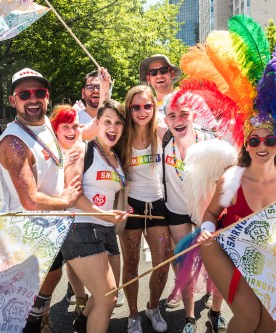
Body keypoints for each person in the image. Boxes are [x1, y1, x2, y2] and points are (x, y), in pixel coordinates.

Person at [0, 68, 83, 333]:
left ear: (47, 96)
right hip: (26, 233)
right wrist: (67, 200)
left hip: (51, 227)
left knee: (54, 272)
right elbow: (30, 200)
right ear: (13, 100)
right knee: (19, 310)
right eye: (24, 94)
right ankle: (34, 318)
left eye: (39, 92)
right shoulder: (14, 141)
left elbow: (89, 127)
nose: (33, 99)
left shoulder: (46, 127)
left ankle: (39, 314)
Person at [197, 113, 276, 332]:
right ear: (246, 145)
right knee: (248, 315)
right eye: (254, 140)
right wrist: (207, 231)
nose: (261, 146)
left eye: (269, 140)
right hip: (226, 252)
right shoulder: (232, 179)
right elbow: (210, 214)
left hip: (268, 257)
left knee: (270, 322)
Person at [61, 99, 128, 333]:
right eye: (107, 121)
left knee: (106, 295)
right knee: (108, 299)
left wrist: (118, 214)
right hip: (81, 229)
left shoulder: (117, 157)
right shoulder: (83, 148)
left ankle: (82, 324)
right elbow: (72, 194)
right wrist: (105, 214)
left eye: (118, 123)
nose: (113, 127)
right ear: (97, 123)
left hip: (107, 231)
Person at [161, 90, 215, 333]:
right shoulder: (163, 140)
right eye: (172, 116)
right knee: (184, 262)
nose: (178, 120)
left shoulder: (211, 143)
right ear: (165, 120)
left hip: (208, 212)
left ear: (194, 116)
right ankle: (189, 318)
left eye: (184, 114)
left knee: (215, 261)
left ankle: (215, 312)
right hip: (177, 210)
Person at [119, 86, 171, 333]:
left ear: (154, 107)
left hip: (159, 203)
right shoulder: (121, 136)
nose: (142, 111)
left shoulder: (162, 132)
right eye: (136, 106)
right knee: (131, 262)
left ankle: (153, 306)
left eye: (147, 106)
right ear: (128, 108)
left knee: (162, 262)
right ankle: (132, 314)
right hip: (132, 206)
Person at [49, 104, 89, 317]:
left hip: (73, 217)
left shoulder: (79, 148)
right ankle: (43, 317)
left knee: (73, 262)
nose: (71, 131)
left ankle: (81, 300)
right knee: (49, 273)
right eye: (66, 126)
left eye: (75, 126)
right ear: (55, 128)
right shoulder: (45, 152)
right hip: (48, 221)